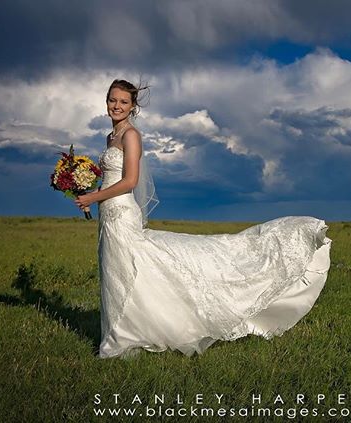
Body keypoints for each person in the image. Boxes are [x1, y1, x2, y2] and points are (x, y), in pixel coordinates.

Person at [75, 79, 332, 359]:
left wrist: (93, 198)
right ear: (106, 101)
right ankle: (122, 333)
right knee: (118, 273)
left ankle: (124, 340)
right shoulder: (110, 138)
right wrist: (88, 194)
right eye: (113, 100)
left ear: (133, 106)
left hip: (122, 213)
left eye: (123, 102)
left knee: (132, 269)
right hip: (107, 216)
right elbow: (111, 178)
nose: (117, 106)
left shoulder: (131, 136)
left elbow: (130, 181)